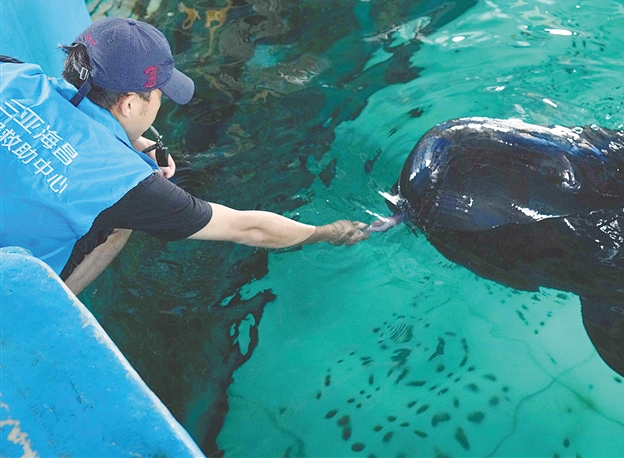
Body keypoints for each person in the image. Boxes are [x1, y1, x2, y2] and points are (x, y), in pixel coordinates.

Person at [0, 17, 369, 295]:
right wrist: (327, 232)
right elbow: (248, 228)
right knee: (119, 225)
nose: (160, 103)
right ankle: (36, 316)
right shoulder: (125, 184)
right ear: (130, 104)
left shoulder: (14, 74)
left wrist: (133, 142)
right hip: (10, 284)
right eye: (159, 95)